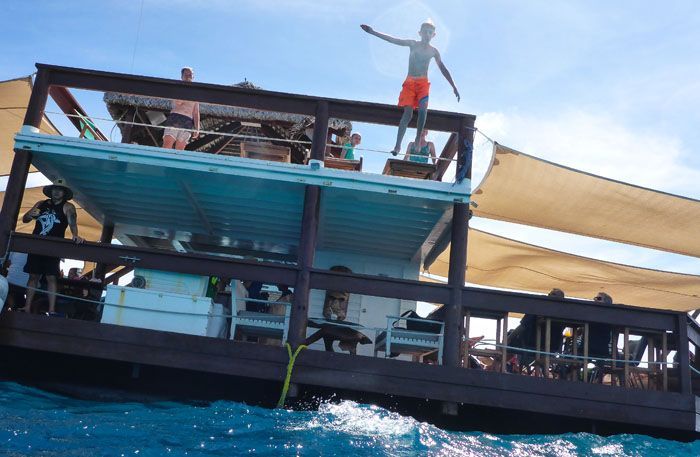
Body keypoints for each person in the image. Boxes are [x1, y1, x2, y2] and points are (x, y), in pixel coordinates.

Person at [361, 19, 460, 155]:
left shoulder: (433, 51)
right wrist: (372, 32)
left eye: (430, 32)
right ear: (420, 33)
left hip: (423, 83)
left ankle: (418, 137)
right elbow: (393, 40)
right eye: (425, 32)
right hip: (410, 83)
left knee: (423, 109)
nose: (427, 34)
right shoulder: (412, 44)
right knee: (407, 113)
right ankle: (397, 146)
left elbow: (443, 68)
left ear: (433, 35)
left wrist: (453, 85)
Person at [16, 180, 84, 315]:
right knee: (33, 276)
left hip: (54, 246)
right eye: (55, 189)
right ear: (51, 191)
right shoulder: (41, 204)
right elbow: (25, 219)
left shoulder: (68, 206)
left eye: (60, 189)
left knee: (51, 277)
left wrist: (76, 235)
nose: (57, 192)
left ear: (64, 193)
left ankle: (52, 310)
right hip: (37, 243)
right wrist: (30, 214)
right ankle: (27, 307)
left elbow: (72, 223)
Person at [162, 67, 200, 150]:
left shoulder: (196, 92)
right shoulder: (177, 88)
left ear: (193, 77)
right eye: (185, 74)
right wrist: (186, 90)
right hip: (176, 117)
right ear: (182, 76)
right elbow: (178, 103)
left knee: (180, 150)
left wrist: (197, 128)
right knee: (167, 145)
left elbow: (196, 112)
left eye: (190, 74)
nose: (188, 76)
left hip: (188, 121)